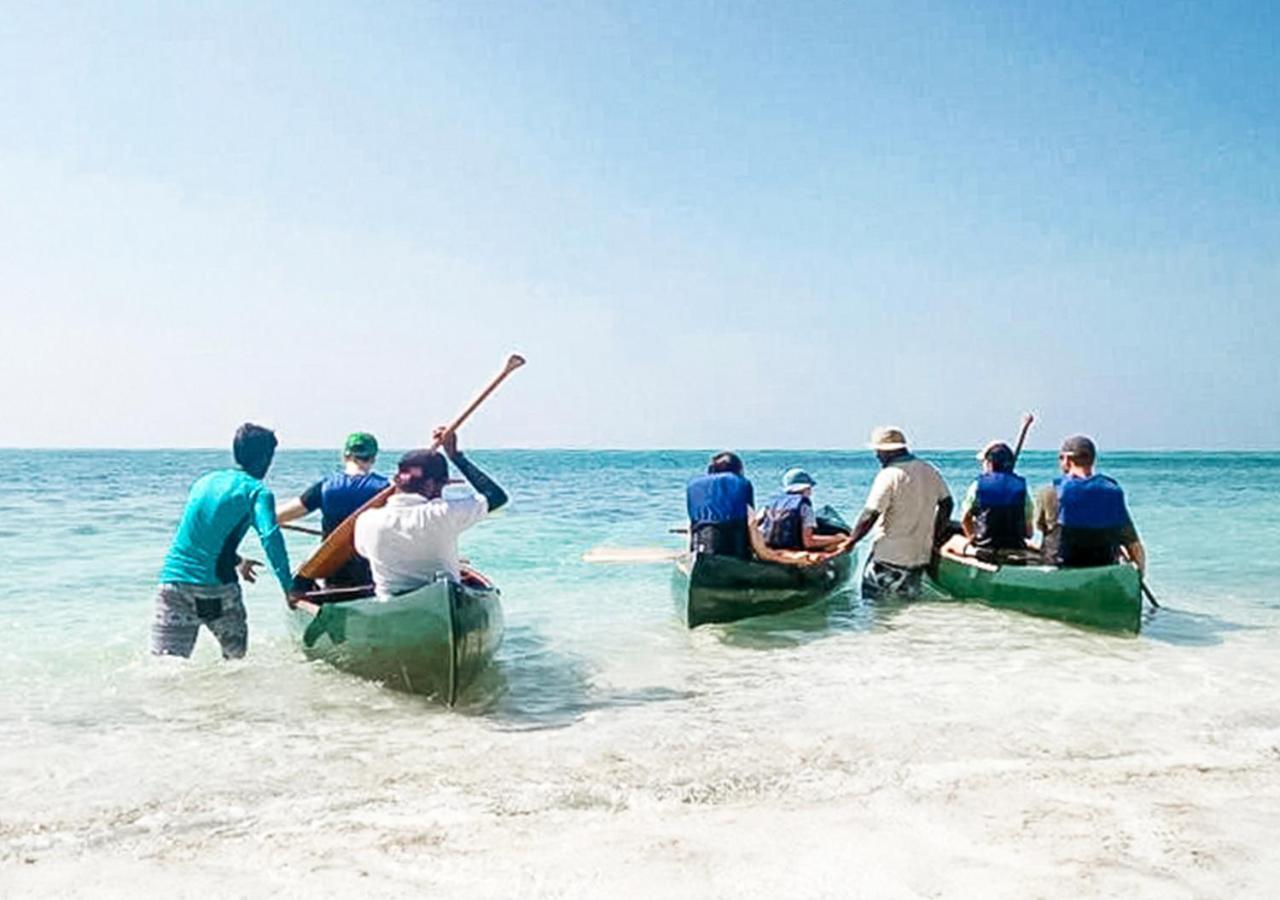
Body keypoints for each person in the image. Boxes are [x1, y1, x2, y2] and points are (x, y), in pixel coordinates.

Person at [151, 423, 293, 659]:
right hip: (214, 591)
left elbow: (203, 540)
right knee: (235, 664)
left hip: (172, 586)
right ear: (267, 458)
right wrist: (289, 587)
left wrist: (238, 561)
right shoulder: (257, 492)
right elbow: (270, 537)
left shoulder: (204, 481)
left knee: (165, 670)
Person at [353, 427, 507, 597]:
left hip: (391, 604)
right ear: (432, 485)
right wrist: (456, 456)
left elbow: (364, 552)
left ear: (397, 481)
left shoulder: (366, 520)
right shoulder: (444, 513)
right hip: (442, 599)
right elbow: (497, 497)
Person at [841, 427, 953, 599]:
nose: (877, 455)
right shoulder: (929, 470)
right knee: (906, 607)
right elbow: (947, 504)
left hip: (888, 557)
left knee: (876, 608)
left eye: (878, 451)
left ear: (887, 451)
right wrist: (934, 535)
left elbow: (870, 514)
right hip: (918, 557)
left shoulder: (889, 475)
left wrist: (851, 541)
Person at [277, 431, 389, 586]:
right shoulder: (384, 489)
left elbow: (277, 516)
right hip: (371, 576)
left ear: (344, 456)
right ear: (373, 458)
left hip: (334, 576)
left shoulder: (325, 487)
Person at [1037, 435, 1146, 572]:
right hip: (1103, 568)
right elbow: (1134, 545)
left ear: (1068, 460)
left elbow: (1040, 527)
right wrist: (1139, 573)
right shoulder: (1111, 492)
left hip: (1059, 568)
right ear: (1092, 460)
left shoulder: (1049, 492)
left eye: (1060, 457)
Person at [960, 441, 1033, 551]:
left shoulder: (977, 485)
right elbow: (1029, 533)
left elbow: (964, 519)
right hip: (1016, 545)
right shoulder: (1021, 487)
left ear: (990, 463)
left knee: (952, 542)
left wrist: (971, 537)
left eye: (984, 462)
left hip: (985, 545)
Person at [685, 451, 757, 559]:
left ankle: (694, 557)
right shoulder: (742, 482)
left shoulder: (693, 485)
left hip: (700, 542)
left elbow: (692, 522)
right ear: (738, 469)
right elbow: (750, 520)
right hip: (735, 548)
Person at [759, 467, 847, 551]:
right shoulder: (805, 507)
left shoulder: (770, 504)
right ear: (806, 488)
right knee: (836, 543)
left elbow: (754, 523)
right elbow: (808, 542)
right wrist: (838, 538)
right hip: (793, 549)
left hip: (770, 546)